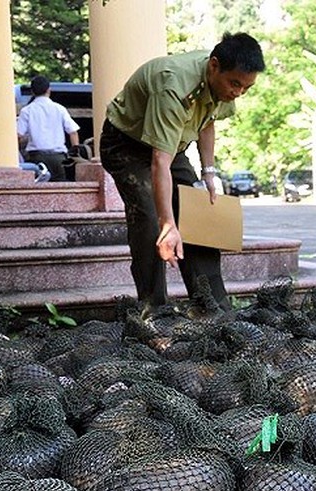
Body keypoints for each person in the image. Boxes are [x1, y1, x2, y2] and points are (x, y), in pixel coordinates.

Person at [99, 32, 265, 310]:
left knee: (199, 214)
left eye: (246, 88)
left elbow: (207, 121)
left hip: (170, 146)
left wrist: (208, 173)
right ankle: (154, 310)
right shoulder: (173, 86)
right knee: (150, 220)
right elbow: (159, 162)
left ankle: (211, 305)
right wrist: (168, 225)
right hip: (126, 145)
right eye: (235, 84)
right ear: (214, 66)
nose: (238, 93)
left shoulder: (224, 83)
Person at [17, 75, 81, 182]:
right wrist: (74, 154)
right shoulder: (60, 109)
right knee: (60, 189)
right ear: (49, 90)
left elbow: (18, 135)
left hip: (36, 158)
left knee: (38, 188)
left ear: (32, 92)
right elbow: (73, 132)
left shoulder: (27, 111)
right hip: (59, 158)